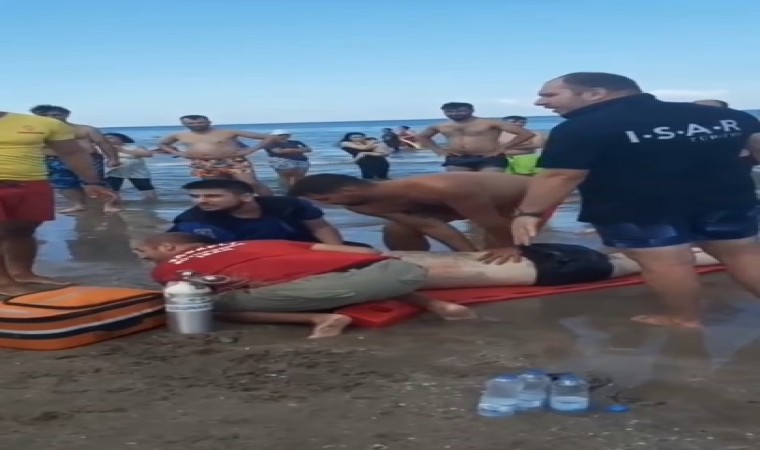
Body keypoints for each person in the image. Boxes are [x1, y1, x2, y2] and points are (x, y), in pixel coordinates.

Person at [511, 71, 760, 329]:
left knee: (666, 262)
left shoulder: (581, 127)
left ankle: (684, 318)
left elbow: (562, 175)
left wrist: (529, 213)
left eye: (550, 95)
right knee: (743, 255)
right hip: (729, 201)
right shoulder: (729, 117)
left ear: (595, 93)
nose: (541, 102)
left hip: (637, 208)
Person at [133, 233, 475, 338]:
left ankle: (318, 319)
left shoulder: (170, 266)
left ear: (168, 247)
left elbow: (195, 290)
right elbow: (364, 253)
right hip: (400, 272)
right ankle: (439, 305)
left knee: (205, 305)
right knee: (363, 274)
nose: (143, 259)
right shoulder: (259, 241)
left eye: (143, 253)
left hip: (319, 293)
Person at [288, 172, 548, 263]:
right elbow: (430, 225)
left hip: (527, 199)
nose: (327, 207)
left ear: (348, 190)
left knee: (501, 249)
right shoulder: (359, 205)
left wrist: (508, 246)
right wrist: (468, 256)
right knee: (396, 230)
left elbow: (489, 221)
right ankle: (422, 261)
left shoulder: (438, 188)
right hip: (462, 207)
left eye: (326, 200)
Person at [0, 110, 115, 295]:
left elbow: (72, 153)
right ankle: (3, 282)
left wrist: (92, 182)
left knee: (22, 230)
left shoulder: (44, 123)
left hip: (32, 183)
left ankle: (21, 274)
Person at [389, 244, 720, 289]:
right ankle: (724, 252)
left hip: (557, 266)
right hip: (546, 254)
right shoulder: (376, 256)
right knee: (638, 259)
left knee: (639, 263)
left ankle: (724, 255)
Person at [169, 179, 366, 246]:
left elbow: (320, 228)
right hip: (248, 260)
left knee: (364, 251)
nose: (201, 201)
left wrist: (337, 250)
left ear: (246, 197)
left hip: (306, 249)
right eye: (195, 196)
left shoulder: (287, 205)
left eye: (212, 196)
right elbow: (172, 247)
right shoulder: (193, 221)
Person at [30, 105, 121, 213]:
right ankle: (78, 204)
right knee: (65, 184)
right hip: (54, 160)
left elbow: (104, 143)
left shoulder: (84, 129)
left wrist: (113, 158)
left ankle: (109, 204)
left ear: (66, 115)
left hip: (87, 159)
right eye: (45, 115)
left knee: (96, 183)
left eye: (56, 115)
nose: (51, 117)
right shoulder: (35, 132)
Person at [157, 115, 277, 195]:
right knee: (220, 188)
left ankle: (273, 203)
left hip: (233, 161)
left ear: (208, 122)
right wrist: (178, 153)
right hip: (203, 163)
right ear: (183, 124)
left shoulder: (228, 132)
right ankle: (230, 208)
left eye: (200, 122)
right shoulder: (179, 135)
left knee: (251, 183)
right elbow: (162, 144)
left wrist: (251, 150)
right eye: (190, 123)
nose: (196, 125)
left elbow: (269, 137)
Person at [416, 102, 535, 172]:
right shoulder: (441, 126)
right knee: (460, 187)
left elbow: (526, 134)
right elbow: (422, 137)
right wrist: (438, 150)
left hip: (489, 158)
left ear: (472, 110)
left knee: (490, 185)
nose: (455, 113)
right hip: (457, 158)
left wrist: (503, 148)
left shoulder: (490, 123)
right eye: (449, 111)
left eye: (460, 111)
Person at [692, 100, 758, 169]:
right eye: (699, 109)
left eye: (713, 109)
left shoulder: (745, 125)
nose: (705, 112)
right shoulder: (685, 129)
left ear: (726, 111)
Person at [103, 133, 158, 202]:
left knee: (146, 189)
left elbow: (148, 154)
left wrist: (122, 150)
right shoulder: (103, 148)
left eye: (110, 138)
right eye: (105, 138)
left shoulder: (133, 147)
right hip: (113, 172)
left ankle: (152, 204)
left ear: (121, 139)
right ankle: (115, 203)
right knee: (112, 190)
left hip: (137, 172)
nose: (107, 139)